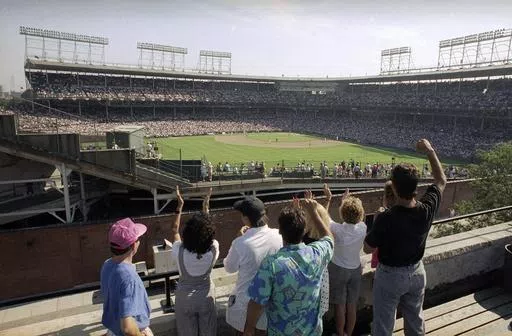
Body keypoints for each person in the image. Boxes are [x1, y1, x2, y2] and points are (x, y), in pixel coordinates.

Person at [364, 139, 447, 336]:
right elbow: (441, 180)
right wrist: (430, 151)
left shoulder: (386, 217)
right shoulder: (426, 209)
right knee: (415, 322)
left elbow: (367, 248)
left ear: (393, 187)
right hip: (417, 272)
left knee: (383, 326)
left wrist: (375, 224)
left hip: (390, 276)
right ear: (415, 186)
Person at [243, 198, 334, 336]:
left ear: (280, 231)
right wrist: (314, 213)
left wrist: (249, 329)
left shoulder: (271, 264)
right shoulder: (317, 254)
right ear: (304, 231)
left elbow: (256, 303)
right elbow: (329, 238)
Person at [224, 196, 282, 335]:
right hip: (271, 307)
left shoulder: (240, 243)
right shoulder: (279, 235)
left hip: (245, 308)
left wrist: (238, 238)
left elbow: (229, 268)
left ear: (245, 219)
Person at [170, 187, 218, 336]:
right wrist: (206, 207)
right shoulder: (213, 249)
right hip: (206, 297)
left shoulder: (179, 251)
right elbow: (207, 231)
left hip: (184, 299)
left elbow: (175, 230)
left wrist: (180, 205)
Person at [100, 218, 153, 336]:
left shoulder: (107, 265)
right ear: (134, 246)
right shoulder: (129, 278)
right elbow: (128, 328)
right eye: (138, 239)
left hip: (113, 331)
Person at [329, 191, 367, 336]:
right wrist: (348, 203)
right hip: (355, 269)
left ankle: (340, 333)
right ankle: (349, 333)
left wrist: (340, 202)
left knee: (340, 305)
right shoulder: (363, 228)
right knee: (351, 305)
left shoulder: (337, 229)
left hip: (338, 270)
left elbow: (324, 217)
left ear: (342, 213)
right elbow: (359, 217)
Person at [371, 181, 396, 268]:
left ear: (387, 198)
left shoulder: (382, 216)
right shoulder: (407, 213)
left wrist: (377, 218)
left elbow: (369, 246)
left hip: (382, 262)